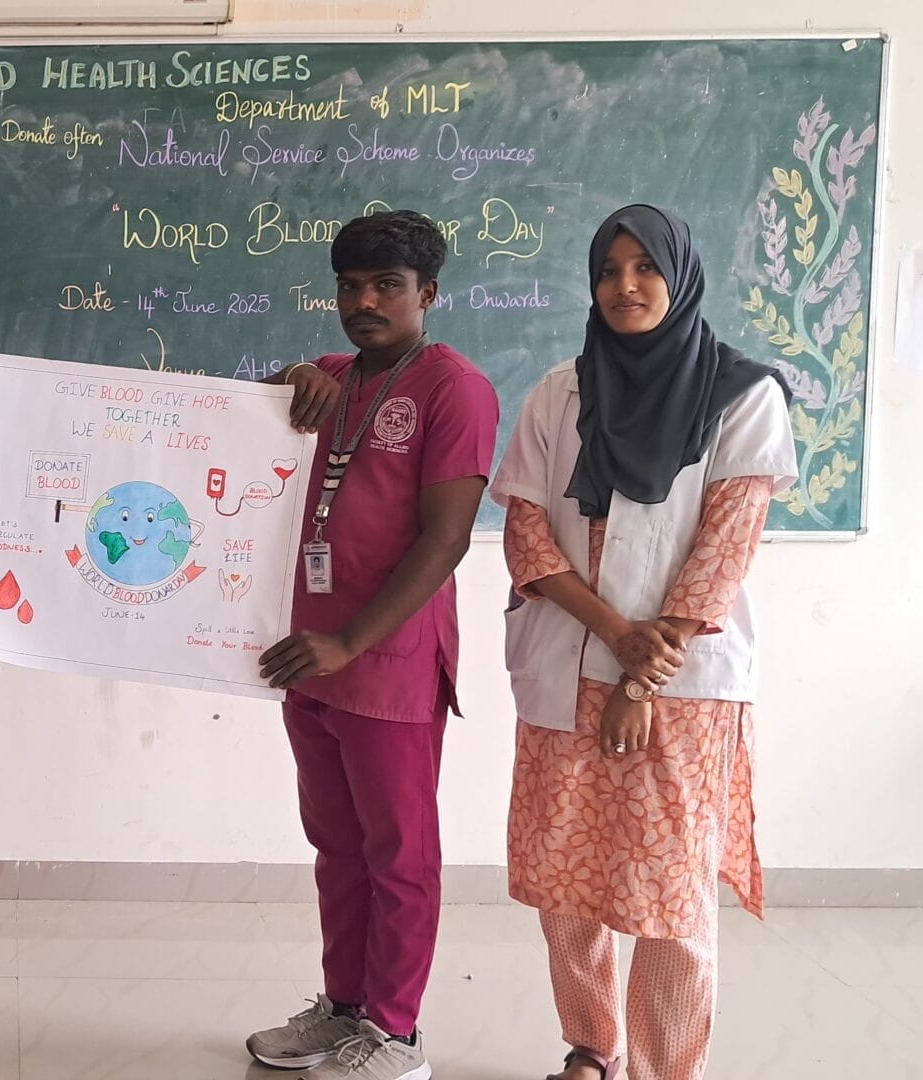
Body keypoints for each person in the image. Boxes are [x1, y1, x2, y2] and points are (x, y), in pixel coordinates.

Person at [490, 205, 795, 1080]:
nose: (625, 286)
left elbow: (723, 552)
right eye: (608, 270)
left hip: (679, 684)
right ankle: (593, 1046)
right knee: (564, 882)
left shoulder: (743, 395)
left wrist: (636, 679)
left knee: (670, 893)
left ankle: (666, 1070)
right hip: (568, 663)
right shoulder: (560, 392)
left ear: (680, 275)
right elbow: (526, 535)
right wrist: (613, 633)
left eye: (645, 267)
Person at [246, 209, 500, 1080]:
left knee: (400, 855)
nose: (365, 303)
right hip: (306, 655)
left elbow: (447, 537)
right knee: (337, 845)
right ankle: (343, 1007)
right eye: (350, 287)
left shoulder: (455, 389)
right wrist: (282, 378)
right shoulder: (326, 377)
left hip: (383, 660)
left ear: (428, 294)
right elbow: (231, 426)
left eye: (387, 286)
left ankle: (396, 1034)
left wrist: (349, 640)